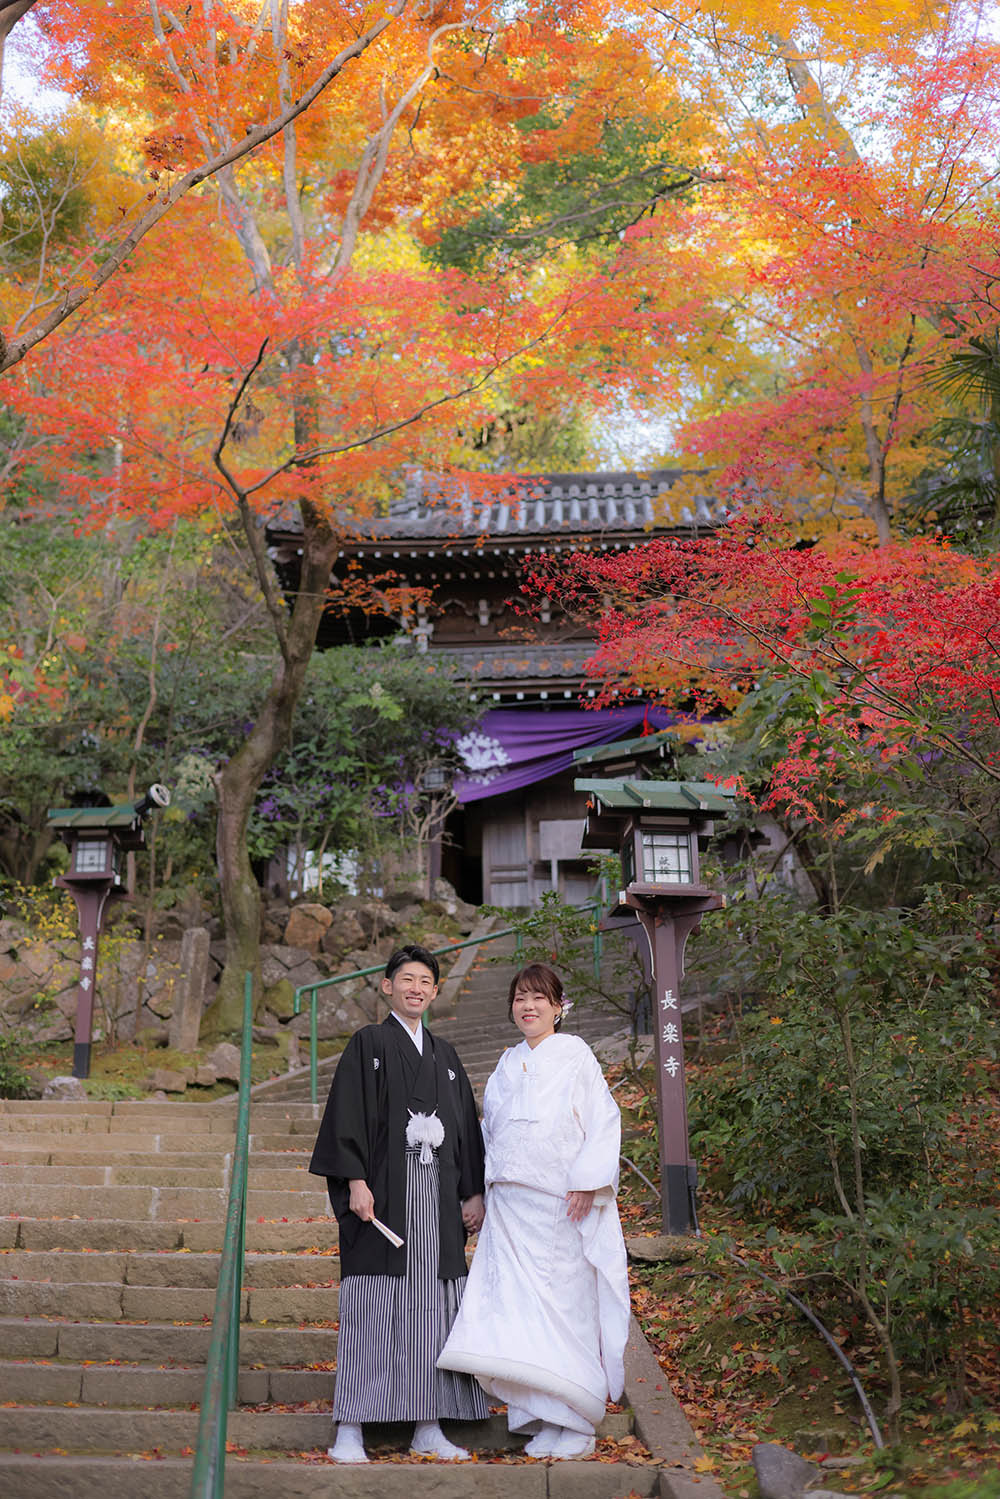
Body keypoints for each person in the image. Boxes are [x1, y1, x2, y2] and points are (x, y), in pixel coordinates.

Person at [437, 962, 630, 1459]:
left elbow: (603, 1119)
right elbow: (489, 1131)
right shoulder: (506, 1062)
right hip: (510, 1205)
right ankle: (544, 1417)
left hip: (561, 1203)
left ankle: (579, 1422)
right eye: (521, 997)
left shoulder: (576, 1055)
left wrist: (588, 1181)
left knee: (566, 1311)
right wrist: (477, 1189)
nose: (528, 1006)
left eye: (539, 998)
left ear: (559, 1007)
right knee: (521, 1315)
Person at [308, 943, 489, 1464]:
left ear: (435, 992)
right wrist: (354, 1182)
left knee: (433, 1316)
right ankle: (350, 1428)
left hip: (437, 1207)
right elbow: (347, 1117)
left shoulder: (447, 1056)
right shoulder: (369, 1043)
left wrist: (472, 1192)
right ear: (387, 986)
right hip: (384, 1202)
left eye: (425, 981)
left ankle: (428, 1424)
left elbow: (465, 1132)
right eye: (405, 979)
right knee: (372, 1311)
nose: (415, 988)